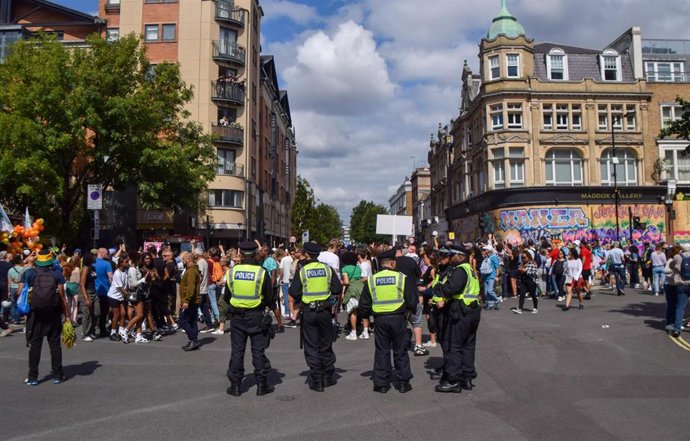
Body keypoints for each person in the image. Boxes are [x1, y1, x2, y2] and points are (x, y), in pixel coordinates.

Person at [359, 248, 416, 393]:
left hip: (380, 320)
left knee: (382, 351)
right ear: (392, 263)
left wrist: (367, 316)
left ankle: (381, 384)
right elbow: (411, 300)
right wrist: (409, 313)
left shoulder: (372, 280)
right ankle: (403, 383)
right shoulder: (401, 278)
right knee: (400, 350)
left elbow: (364, 304)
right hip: (398, 318)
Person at [290, 242, 343, 392]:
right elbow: (337, 288)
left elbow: (294, 292)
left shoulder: (303, 271)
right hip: (325, 312)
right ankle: (328, 376)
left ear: (306, 254)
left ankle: (317, 379)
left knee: (312, 345)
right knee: (325, 344)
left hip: (309, 312)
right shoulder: (327, 269)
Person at [225, 241, 276, 396]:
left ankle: (235, 386)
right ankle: (261, 385)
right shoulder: (261, 273)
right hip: (256, 316)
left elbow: (227, 296)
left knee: (237, 351)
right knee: (258, 351)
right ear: (255, 253)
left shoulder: (233, 272)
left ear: (240, 253)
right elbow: (269, 297)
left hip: (237, 317)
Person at [434, 245, 481, 393]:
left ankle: (453, 380)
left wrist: (438, 288)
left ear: (460, 256)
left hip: (461, 312)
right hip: (472, 311)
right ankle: (466, 376)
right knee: (468, 345)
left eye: (452, 255)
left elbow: (452, 288)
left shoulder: (460, 270)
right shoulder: (469, 269)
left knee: (454, 346)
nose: (450, 258)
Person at [24, 249, 70, 385]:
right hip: (53, 312)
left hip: (36, 313)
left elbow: (22, 290)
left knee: (35, 345)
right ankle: (57, 374)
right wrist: (67, 314)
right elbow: (62, 295)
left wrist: (30, 261)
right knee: (55, 344)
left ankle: (33, 376)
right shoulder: (56, 274)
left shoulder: (30, 273)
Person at [395, 246, 427, 356]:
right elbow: (420, 274)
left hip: (398, 297)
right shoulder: (410, 261)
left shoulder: (392, 263)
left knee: (401, 322)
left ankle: (403, 342)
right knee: (417, 321)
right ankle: (418, 345)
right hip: (413, 295)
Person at [665, 244, 690, 338]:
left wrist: (678, 268)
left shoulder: (677, 257)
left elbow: (670, 267)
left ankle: (677, 329)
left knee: (680, 307)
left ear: (682, 249)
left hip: (681, 284)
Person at [106, 256, 129, 343]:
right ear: (121, 263)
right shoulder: (117, 273)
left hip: (121, 297)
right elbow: (120, 288)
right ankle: (113, 332)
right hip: (114, 296)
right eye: (125, 262)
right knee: (117, 314)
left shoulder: (125, 272)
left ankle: (121, 332)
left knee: (123, 314)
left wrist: (127, 293)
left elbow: (126, 286)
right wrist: (128, 295)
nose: (127, 264)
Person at [512, 250, 539, 314]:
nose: (523, 259)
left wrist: (525, 271)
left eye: (524, 257)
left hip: (531, 281)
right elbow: (519, 271)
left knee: (533, 295)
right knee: (522, 294)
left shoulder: (533, 263)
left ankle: (535, 307)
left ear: (528, 257)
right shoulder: (522, 263)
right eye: (522, 257)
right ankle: (520, 308)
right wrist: (520, 270)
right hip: (524, 281)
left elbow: (534, 273)